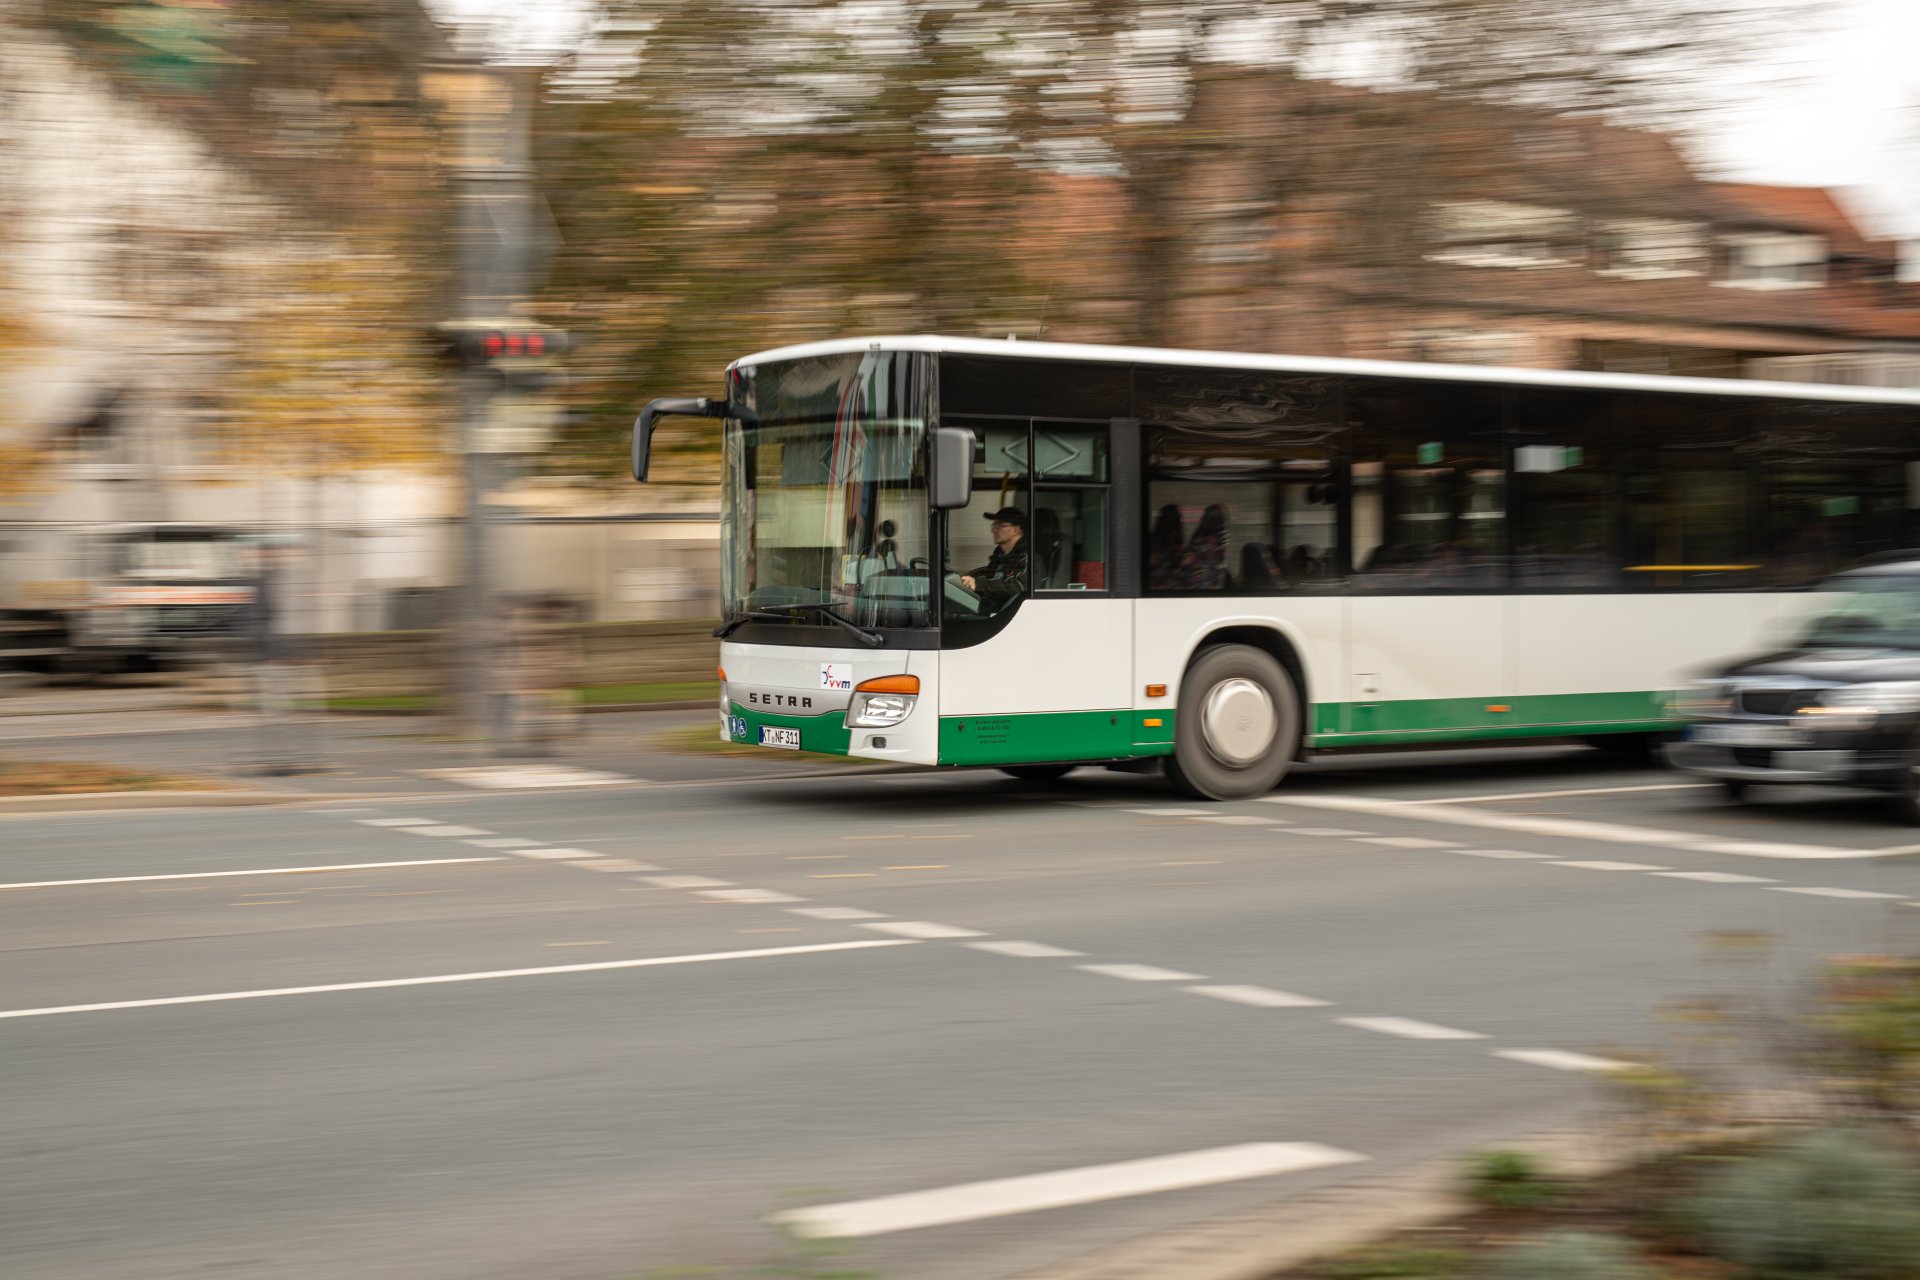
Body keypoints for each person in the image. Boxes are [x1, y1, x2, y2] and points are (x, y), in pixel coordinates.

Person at [961, 506, 1030, 613]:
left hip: (1009, 616)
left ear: (1016, 530)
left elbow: (1018, 587)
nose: (993, 530)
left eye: (1000, 525)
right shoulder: (1000, 556)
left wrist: (978, 584)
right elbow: (990, 579)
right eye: (994, 525)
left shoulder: (1027, 557)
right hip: (992, 613)